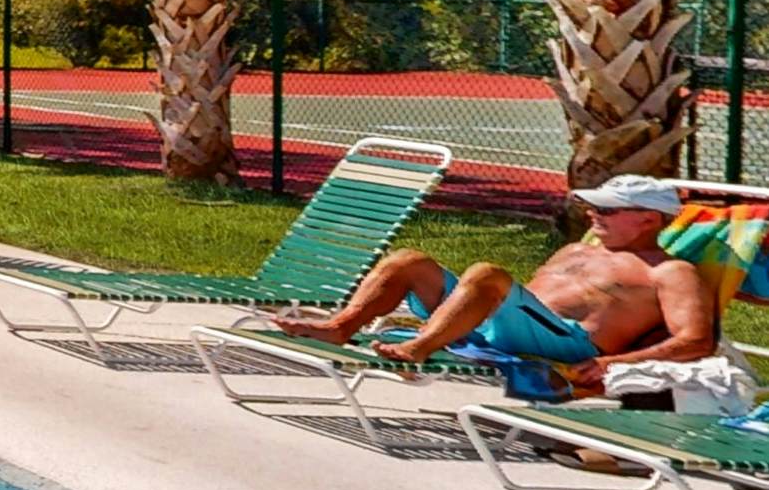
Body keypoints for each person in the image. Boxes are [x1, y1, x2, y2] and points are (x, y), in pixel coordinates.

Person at [276, 173, 718, 400]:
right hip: (505, 326)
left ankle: (418, 349)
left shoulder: (670, 271)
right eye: (593, 206)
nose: (593, 214)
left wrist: (612, 364)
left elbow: (696, 340)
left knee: (487, 274)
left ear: (649, 219)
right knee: (408, 261)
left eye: (608, 209)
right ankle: (342, 326)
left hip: (565, 343)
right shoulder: (577, 249)